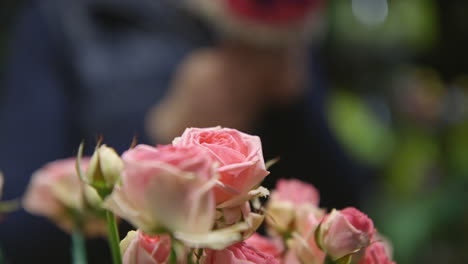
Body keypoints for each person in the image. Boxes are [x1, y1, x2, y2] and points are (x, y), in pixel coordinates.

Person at [0, 0, 371, 262]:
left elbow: (344, 206)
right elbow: (19, 228)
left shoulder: (273, 17)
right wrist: (162, 139)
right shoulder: (65, 16)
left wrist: (294, 106)